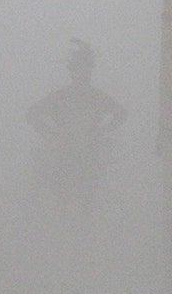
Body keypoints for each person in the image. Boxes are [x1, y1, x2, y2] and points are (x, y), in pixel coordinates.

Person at [27, 40, 128, 218]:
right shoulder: (62, 97)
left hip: (89, 153)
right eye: (78, 69)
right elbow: (32, 114)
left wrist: (100, 132)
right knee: (62, 195)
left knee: (86, 197)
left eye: (85, 69)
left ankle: (80, 229)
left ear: (90, 71)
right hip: (65, 153)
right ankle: (64, 227)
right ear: (72, 72)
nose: (82, 74)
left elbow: (120, 113)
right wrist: (53, 134)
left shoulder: (95, 97)